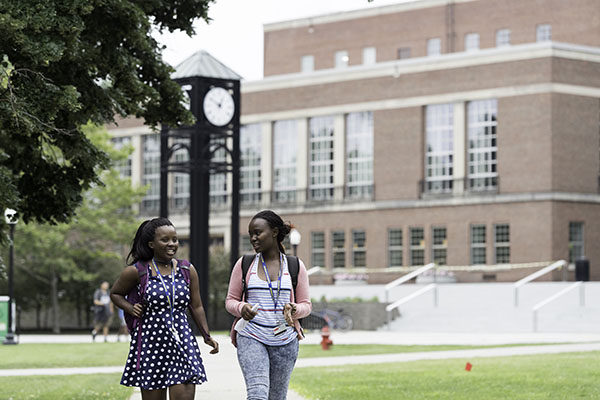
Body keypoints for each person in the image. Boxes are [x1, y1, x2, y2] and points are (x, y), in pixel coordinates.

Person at [110, 217, 219, 400]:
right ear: (151, 244)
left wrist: (207, 336)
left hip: (182, 341)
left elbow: (197, 305)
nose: (172, 244)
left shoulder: (186, 269)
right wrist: (129, 308)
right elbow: (115, 294)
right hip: (151, 344)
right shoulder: (138, 271)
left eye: (174, 239)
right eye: (165, 240)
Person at [226, 210, 312, 400]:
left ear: (274, 232)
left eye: (258, 233)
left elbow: (306, 304)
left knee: (277, 396)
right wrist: (241, 308)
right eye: (251, 234)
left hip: (285, 341)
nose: (253, 238)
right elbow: (230, 300)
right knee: (257, 393)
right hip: (251, 336)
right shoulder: (245, 264)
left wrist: (295, 309)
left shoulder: (295, 266)